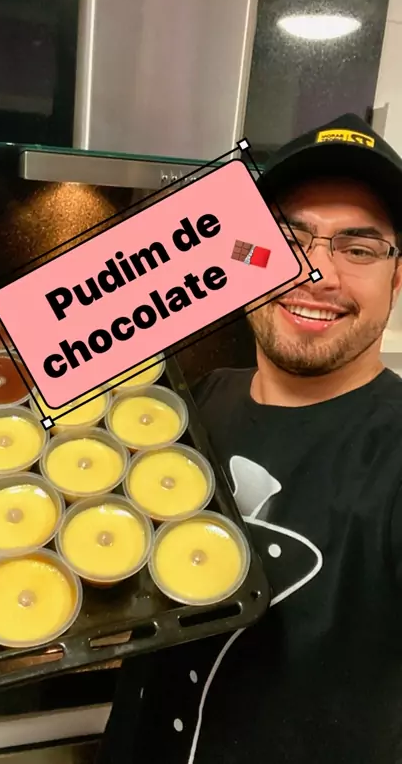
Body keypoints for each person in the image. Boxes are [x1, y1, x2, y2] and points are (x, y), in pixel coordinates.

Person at [97, 113, 402, 764]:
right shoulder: (191, 405)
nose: (316, 273)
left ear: (397, 279)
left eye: (358, 249)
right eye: (287, 238)